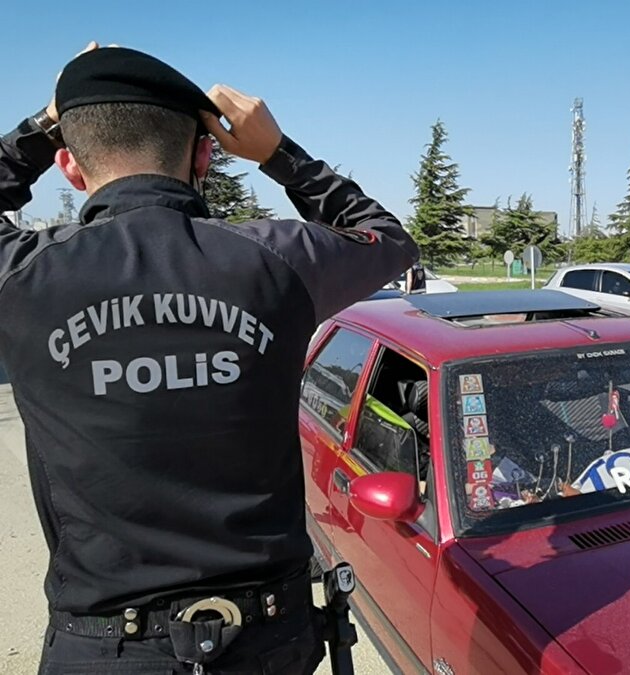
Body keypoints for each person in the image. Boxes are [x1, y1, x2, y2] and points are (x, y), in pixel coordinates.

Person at [0, 44, 419, 673]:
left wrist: (38, 127)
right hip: (269, 641)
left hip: (105, 649)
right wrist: (279, 154)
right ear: (204, 155)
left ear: (69, 167)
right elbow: (387, 240)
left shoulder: (25, 274)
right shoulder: (278, 258)